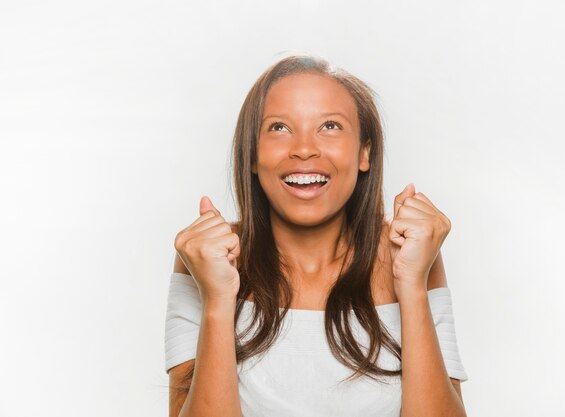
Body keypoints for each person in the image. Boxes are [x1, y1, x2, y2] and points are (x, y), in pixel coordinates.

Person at [164, 54, 469, 417]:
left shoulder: (411, 253)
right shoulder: (206, 257)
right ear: (252, 156)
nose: (304, 148)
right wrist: (217, 301)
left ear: (364, 152)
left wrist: (412, 286)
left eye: (330, 126)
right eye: (278, 127)